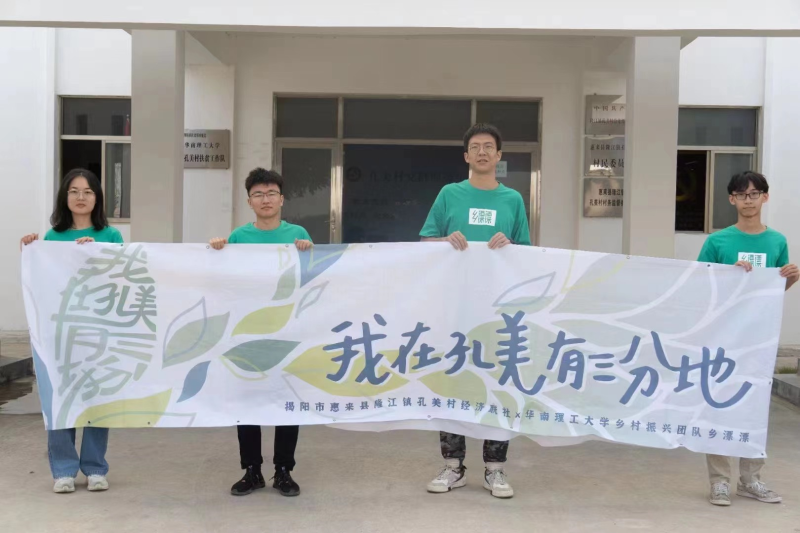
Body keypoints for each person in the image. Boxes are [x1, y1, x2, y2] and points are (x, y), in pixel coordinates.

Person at [419, 123, 531, 498]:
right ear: (466, 156)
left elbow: (528, 254)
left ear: (499, 156)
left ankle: (495, 469)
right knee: (453, 380)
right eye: (475, 147)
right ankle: (453, 466)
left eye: (489, 147)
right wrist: (444, 240)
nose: (482, 152)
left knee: (498, 383)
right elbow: (424, 243)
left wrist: (510, 245)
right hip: (454, 307)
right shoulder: (449, 194)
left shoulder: (513, 199)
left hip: (498, 310)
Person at [209, 167, 312, 497]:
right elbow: (225, 279)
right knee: (248, 400)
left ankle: (284, 470)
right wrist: (218, 250)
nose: (265, 199)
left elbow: (311, 276)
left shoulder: (298, 233)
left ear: (281, 199)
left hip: (287, 329)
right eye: (258, 194)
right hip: (248, 331)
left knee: (287, 399)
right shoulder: (239, 237)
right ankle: (251, 470)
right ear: (249, 201)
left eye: (271, 193)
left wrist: (309, 250)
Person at [698, 171, 799, 506]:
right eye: (741, 194)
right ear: (732, 199)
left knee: (754, 408)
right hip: (723, 337)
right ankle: (719, 481)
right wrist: (729, 276)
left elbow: (774, 290)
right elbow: (700, 285)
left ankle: (751, 479)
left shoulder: (777, 241)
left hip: (759, 339)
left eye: (755, 194)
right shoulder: (718, 242)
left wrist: (790, 278)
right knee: (718, 406)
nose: (748, 200)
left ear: (765, 197)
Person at [20, 168, 123, 494]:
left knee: (97, 400)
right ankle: (63, 470)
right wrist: (31, 249)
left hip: (99, 331)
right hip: (61, 333)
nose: (81, 197)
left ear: (97, 197)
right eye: (74, 191)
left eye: (88, 191)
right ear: (64, 197)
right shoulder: (52, 238)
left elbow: (121, 280)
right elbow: (44, 282)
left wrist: (96, 254)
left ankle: (95, 468)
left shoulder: (111, 236)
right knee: (60, 399)